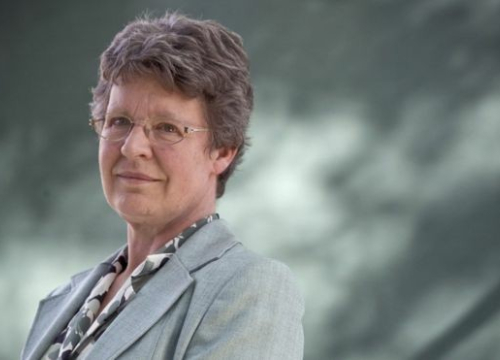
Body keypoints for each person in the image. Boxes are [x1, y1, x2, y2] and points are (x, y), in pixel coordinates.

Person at [21, 12, 304, 360]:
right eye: (119, 121)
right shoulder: (63, 300)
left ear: (223, 151)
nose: (131, 147)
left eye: (168, 128)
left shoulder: (249, 287)